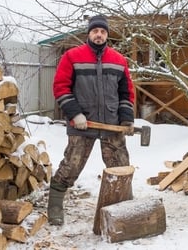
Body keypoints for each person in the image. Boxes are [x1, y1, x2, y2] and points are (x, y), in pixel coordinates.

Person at [48, 15, 135, 226]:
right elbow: (60, 87)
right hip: (82, 123)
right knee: (71, 165)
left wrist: (126, 119)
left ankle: (126, 206)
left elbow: (126, 92)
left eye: (103, 31)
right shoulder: (72, 56)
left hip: (111, 124)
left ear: (107, 35)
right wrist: (74, 114)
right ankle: (55, 206)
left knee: (121, 166)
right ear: (89, 33)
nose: (99, 35)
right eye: (95, 31)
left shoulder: (118, 60)